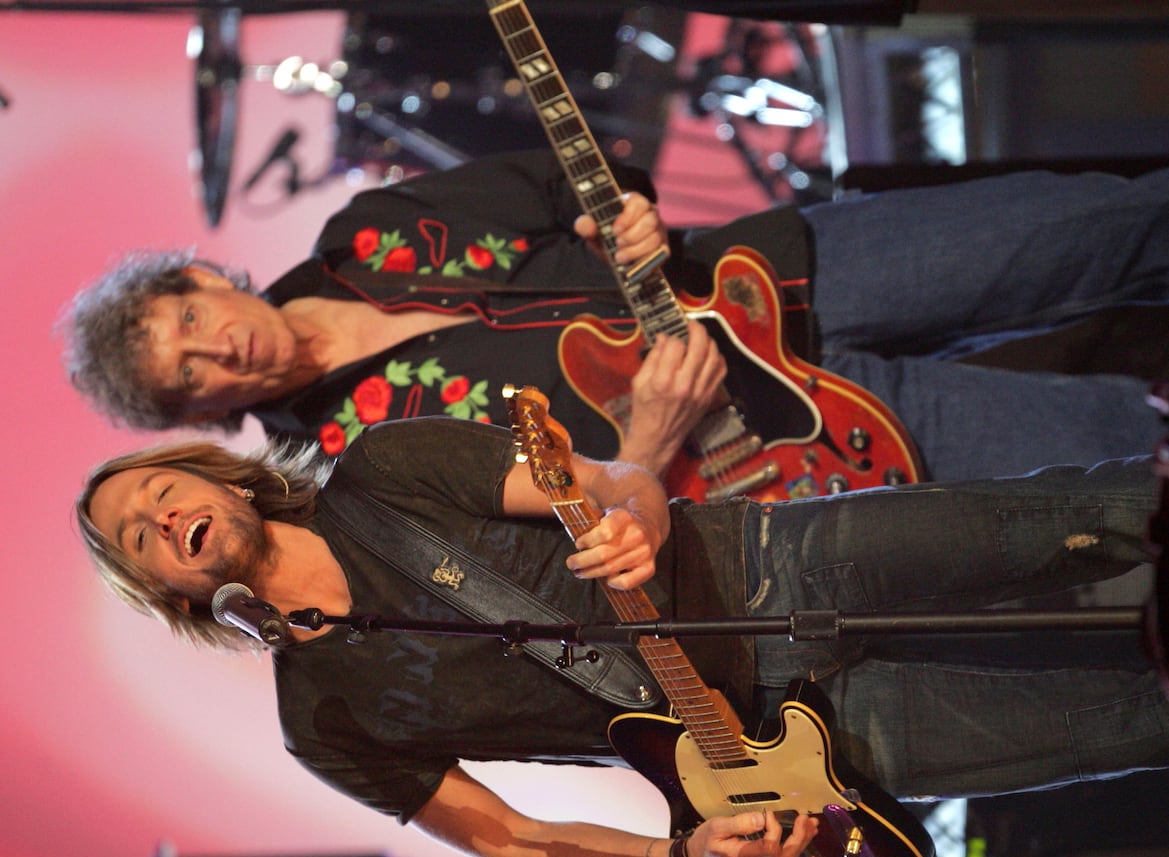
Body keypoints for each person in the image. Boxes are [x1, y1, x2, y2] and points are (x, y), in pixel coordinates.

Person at [75, 413, 1168, 857]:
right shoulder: (323, 719)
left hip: (772, 565)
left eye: (162, 490)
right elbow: (516, 839)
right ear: (163, 586)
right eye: (139, 537)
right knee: (1120, 726)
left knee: (1085, 517)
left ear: (215, 477)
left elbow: (608, 481)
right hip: (784, 759)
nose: (163, 518)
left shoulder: (387, 469)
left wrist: (633, 519)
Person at [63, 150, 1168, 487]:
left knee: (1108, 227)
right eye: (189, 374)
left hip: (782, 271)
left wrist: (619, 211)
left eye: (191, 317)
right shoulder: (352, 467)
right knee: (1115, 452)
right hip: (780, 425)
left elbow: (568, 179)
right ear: (197, 415)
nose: (219, 348)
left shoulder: (371, 231)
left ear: (202, 276)